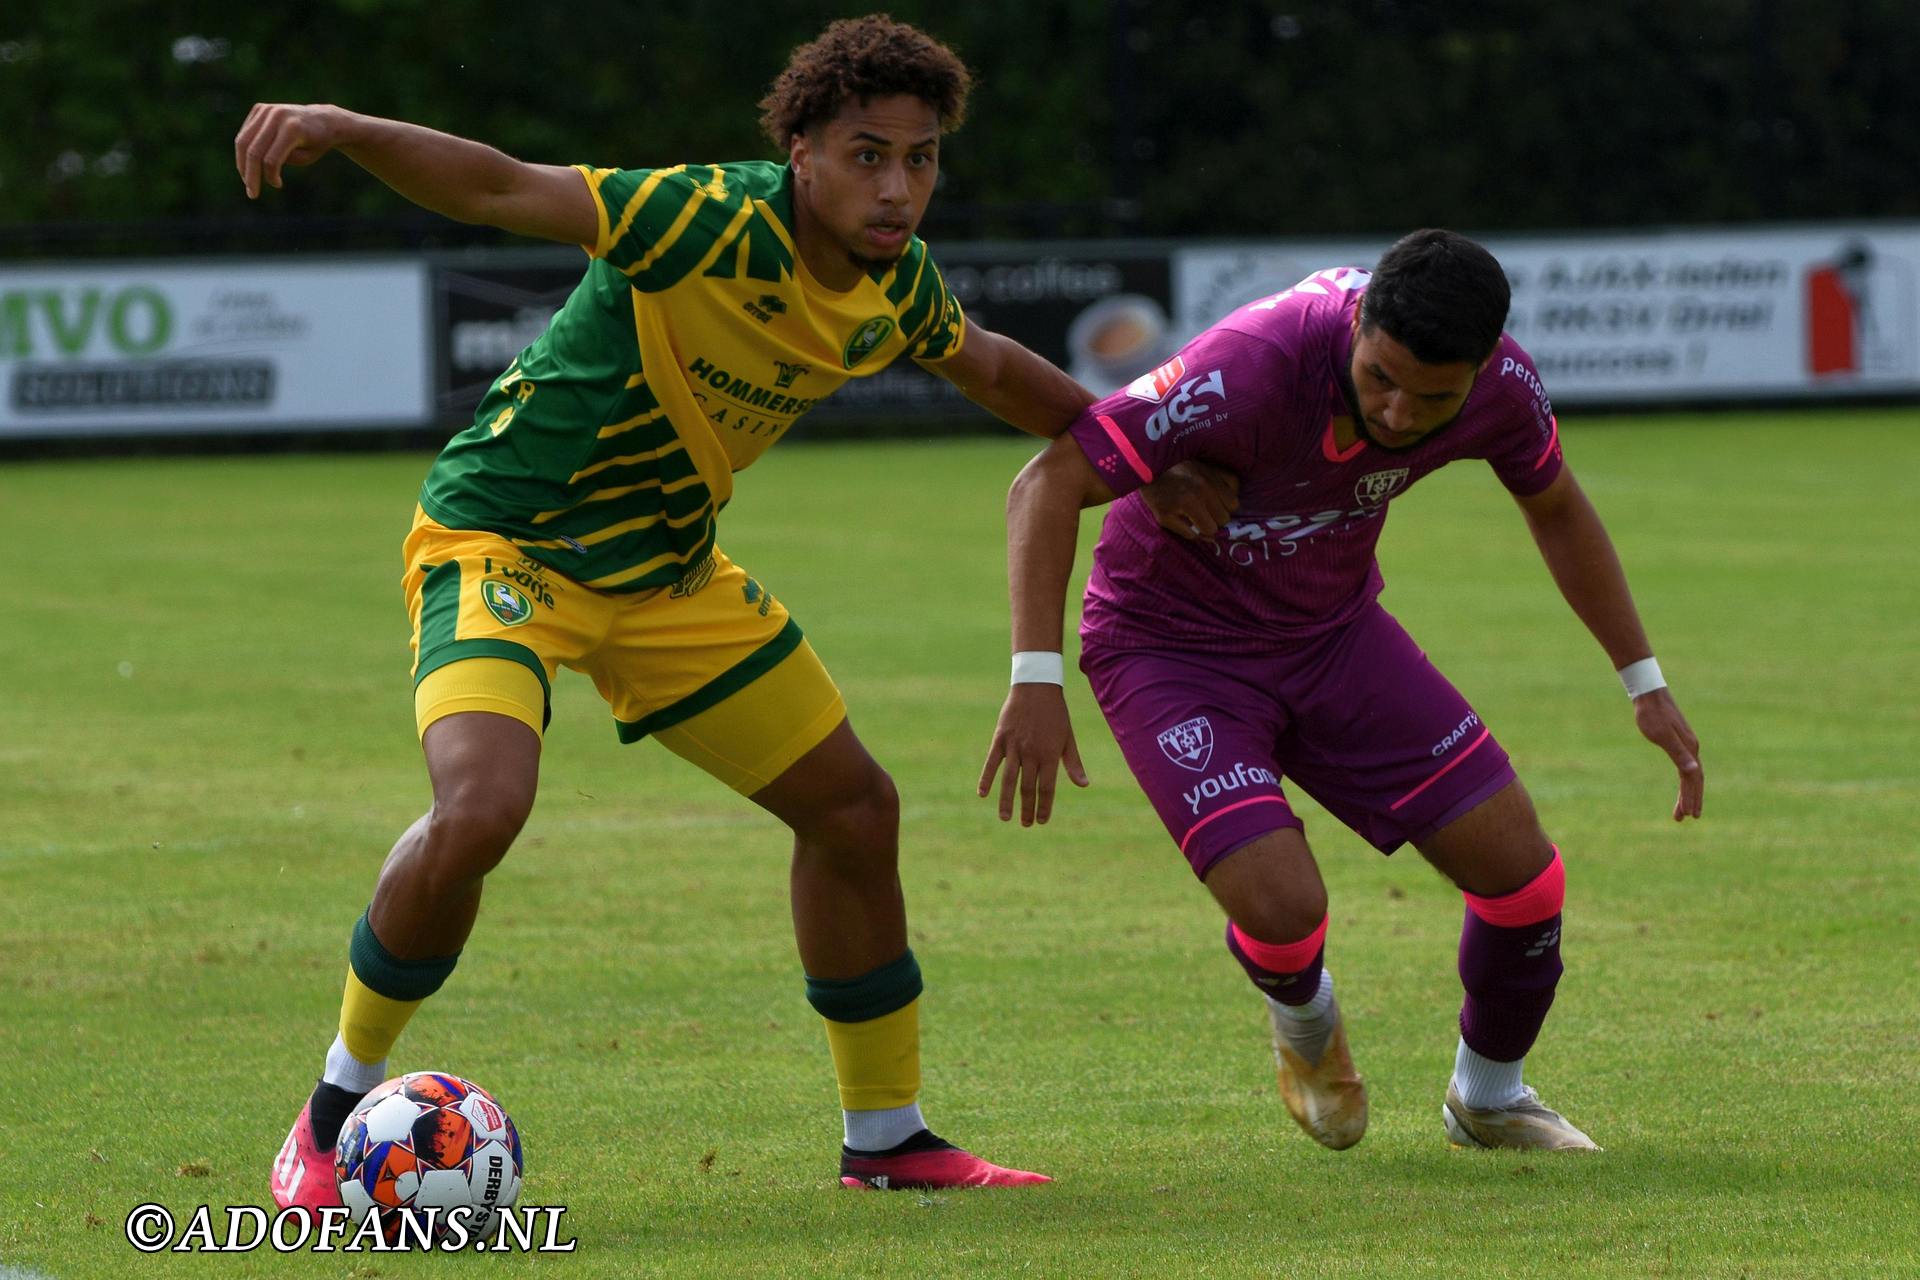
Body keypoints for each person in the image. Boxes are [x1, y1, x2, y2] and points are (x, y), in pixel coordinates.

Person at [238, 15, 1223, 1200]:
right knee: (483, 805)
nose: (898, 185)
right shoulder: (706, 216)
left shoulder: (893, 284)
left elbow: (997, 368)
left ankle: (888, 1137)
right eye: (868, 153)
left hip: (667, 574)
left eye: (921, 158)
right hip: (505, 543)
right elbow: (503, 187)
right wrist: (344, 129)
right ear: (800, 148)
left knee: (854, 809)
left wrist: (1139, 459)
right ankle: (332, 1109)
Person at [980, 230, 1705, 1152]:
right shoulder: (1252, 363)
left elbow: (1556, 506)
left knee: (1524, 881)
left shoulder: (1504, 391)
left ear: (1480, 371)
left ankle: (1488, 1098)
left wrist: (1644, 682)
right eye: (1380, 380)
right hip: (1170, 648)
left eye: (1432, 397)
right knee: (1285, 911)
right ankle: (1309, 1028)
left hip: (1333, 635)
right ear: (1358, 325)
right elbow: (1046, 482)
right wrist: (1035, 680)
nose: (1400, 414)